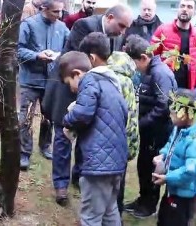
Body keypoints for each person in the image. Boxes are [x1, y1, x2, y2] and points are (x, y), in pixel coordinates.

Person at [42, 4, 133, 205]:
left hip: (92, 89)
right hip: (69, 86)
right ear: (109, 17)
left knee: (88, 134)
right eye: (121, 25)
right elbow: (78, 61)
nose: (123, 31)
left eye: (126, 27)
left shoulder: (116, 36)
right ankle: (61, 185)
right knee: (63, 137)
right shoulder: (83, 25)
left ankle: (79, 177)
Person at [60, 51, 128, 225]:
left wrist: (66, 120)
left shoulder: (89, 81)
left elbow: (82, 114)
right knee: (109, 210)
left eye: (69, 84)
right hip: (116, 162)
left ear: (76, 74)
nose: (72, 89)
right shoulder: (111, 85)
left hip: (98, 165)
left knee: (91, 216)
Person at [78, 32, 139, 218]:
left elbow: (85, 113)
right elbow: (131, 117)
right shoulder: (127, 80)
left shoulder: (98, 80)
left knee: (93, 213)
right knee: (112, 205)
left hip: (102, 152)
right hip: (122, 146)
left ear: (92, 58)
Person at [123, 34, 177, 218]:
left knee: (151, 168)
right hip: (148, 132)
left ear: (144, 58)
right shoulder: (149, 72)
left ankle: (149, 206)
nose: (134, 68)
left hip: (157, 132)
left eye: (134, 62)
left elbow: (164, 107)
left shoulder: (160, 74)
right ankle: (143, 198)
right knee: (143, 166)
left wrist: (140, 124)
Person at [153, 89, 196, 226]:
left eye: (173, 111)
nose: (170, 115)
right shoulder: (180, 128)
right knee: (164, 218)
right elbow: (171, 143)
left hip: (185, 193)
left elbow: (191, 170)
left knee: (176, 221)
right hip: (174, 187)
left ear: (187, 114)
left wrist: (167, 178)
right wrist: (163, 154)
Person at [17, 0, 69, 170]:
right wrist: (36, 55)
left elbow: (69, 49)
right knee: (26, 118)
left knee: (49, 117)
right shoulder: (28, 25)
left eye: (61, 11)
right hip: (31, 80)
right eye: (55, 12)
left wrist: (60, 56)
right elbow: (18, 50)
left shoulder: (62, 28)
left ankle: (45, 146)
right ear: (43, 9)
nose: (59, 15)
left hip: (52, 81)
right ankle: (24, 152)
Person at [151, 0, 196, 90]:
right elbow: (152, 56)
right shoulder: (163, 30)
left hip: (187, 88)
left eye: (189, 7)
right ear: (178, 8)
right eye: (182, 6)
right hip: (165, 85)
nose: (185, 9)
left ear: (194, 12)